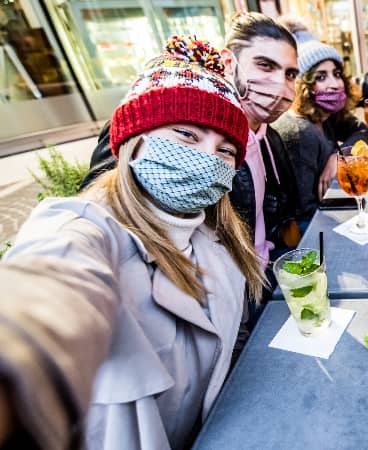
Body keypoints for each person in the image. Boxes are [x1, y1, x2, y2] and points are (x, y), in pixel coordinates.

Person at [2, 35, 265, 449]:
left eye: (227, 150)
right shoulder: (84, 228)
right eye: (186, 135)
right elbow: (49, 283)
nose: (209, 159)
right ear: (134, 139)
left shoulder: (217, 236)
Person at [80, 13, 300, 277]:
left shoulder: (270, 137)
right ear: (229, 63)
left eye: (290, 74)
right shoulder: (159, 115)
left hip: (262, 275)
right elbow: (103, 208)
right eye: (265, 65)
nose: (280, 83)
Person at [273, 19, 368, 229]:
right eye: (321, 77)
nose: (334, 84)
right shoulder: (300, 133)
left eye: (336, 74)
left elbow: (365, 131)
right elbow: (304, 212)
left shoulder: (325, 116)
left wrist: (338, 158)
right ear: (302, 85)